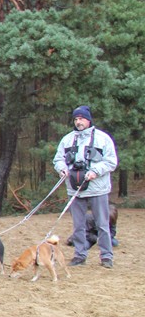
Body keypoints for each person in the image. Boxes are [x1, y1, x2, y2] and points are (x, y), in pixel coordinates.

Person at [52, 105, 118, 268]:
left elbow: (111, 162)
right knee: (78, 225)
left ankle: (106, 257)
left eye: (81, 118)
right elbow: (58, 159)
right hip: (75, 190)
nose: (78, 122)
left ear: (88, 120)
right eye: (75, 119)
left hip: (98, 188)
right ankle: (80, 255)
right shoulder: (67, 140)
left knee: (102, 224)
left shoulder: (103, 139)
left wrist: (95, 171)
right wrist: (62, 169)